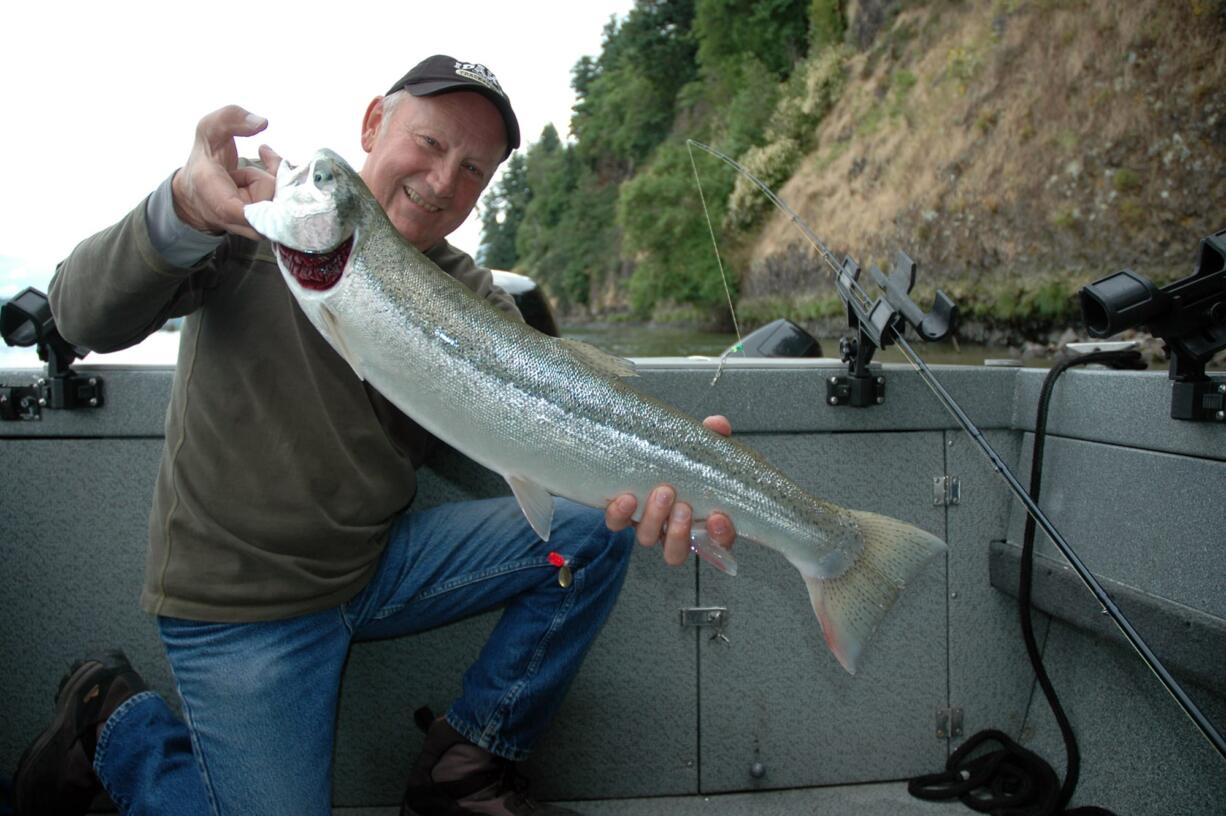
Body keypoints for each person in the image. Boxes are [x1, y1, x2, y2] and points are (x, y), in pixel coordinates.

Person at [14, 55, 736, 816]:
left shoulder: (472, 294)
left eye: (473, 170)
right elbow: (78, 312)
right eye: (429, 143)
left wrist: (667, 468)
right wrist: (180, 213)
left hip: (374, 569)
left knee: (585, 536)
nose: (442, 181)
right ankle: (113, 722)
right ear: (371, 124)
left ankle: (466, 761)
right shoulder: (249, 231)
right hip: (242, 607)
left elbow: (541, 422)